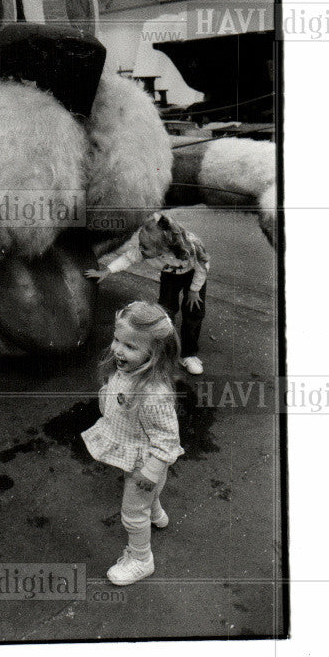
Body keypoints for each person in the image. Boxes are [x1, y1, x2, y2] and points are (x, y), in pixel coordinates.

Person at [81, 301, 184, 585]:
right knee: (146, 496)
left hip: (146, 463)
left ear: (155, 353)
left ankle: (141, 559)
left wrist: (151, 471)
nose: (118, 350)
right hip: (135, 453)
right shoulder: (129, 370)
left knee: (131, 514)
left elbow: (167, 438)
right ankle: (155, 512)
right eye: (117, 340)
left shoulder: (153, 394)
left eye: (130, 346)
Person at [85, 212, 210, 376]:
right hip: (170, 275)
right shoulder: (147, 250)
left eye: (145, 247)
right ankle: (164, 349)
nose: (140, 249)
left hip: (194, 275)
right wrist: (107, 271)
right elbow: (128, 258)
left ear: (164, 249)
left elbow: (203, 265)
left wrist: (194, 290)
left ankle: (189, 354)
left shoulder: (189, 247)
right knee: (166, 310)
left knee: (194, 312)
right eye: (140, 244)